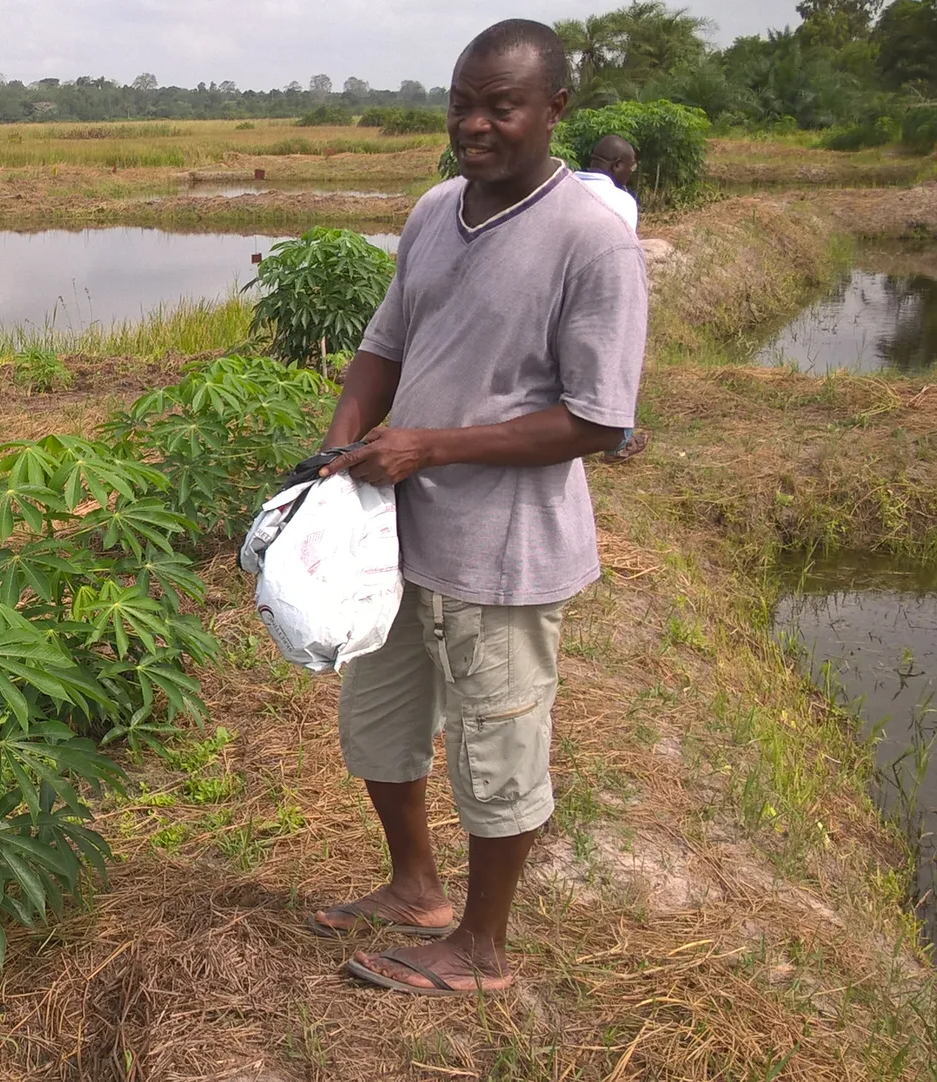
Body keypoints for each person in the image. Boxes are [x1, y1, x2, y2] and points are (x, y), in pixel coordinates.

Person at [303, 18, 647, 996]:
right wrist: (344, 442)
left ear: (555, 110)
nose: (476, 126)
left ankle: (482, 945)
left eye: (501, 106)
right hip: (401, 533)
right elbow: (384, 345)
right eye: (463, 104)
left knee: (500, 751)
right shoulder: (433, 210)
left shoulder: (592, 242)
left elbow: (595, 418)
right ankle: (416, 887)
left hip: (507, 551)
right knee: (379, 722)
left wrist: (430, 443)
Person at [575, 134, 651, 462]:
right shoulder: (621, 202)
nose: (629, 176)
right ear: (617, 165)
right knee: (610, 366)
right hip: (593, 297)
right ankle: (617, 442)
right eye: (629, 169)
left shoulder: (564, 185)